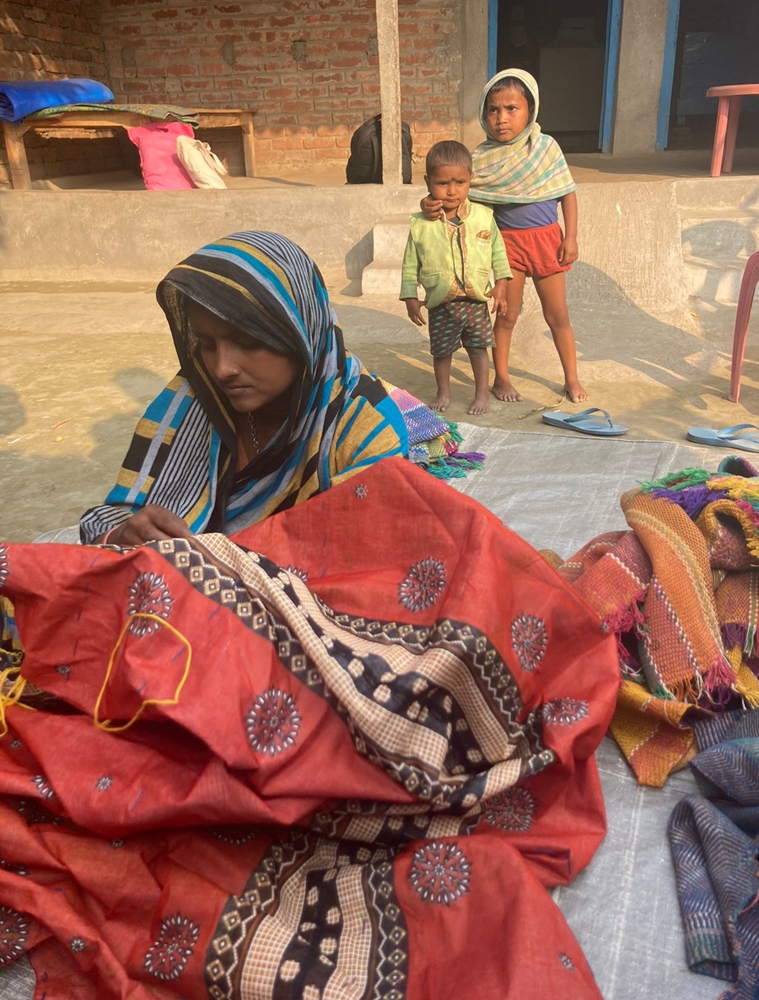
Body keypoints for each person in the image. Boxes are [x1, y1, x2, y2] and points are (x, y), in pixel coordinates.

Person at [79, 230, 415, 546]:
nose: (222, 369)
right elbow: (113, 517)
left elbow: (361, 555)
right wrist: (120, 535)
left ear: (302, 335)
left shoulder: (366, 429)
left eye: (249, 342)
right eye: (207, 344)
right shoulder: (192, 400)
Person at [422, 69, 589, 405]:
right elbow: (457, 196)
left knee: (557, 315)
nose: (501, 118)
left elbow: (567, 193)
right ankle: (502, 378)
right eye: (493, 110)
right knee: (506, 314)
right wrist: (429, 205)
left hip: (547, 243)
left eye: (512, 109)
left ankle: (571, 378)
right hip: (505, 246)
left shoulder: (546, 149)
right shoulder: (479, 160)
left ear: (531, 111)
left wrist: (570, 237)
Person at [400, 140, 511, 415]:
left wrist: (501, 286)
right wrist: (410, 296)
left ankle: (481, 395)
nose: (452, 191)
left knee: (478, 350)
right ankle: (443, 391)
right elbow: (410, 262)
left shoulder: (484, 217)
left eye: (460, 182)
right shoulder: (421, 223)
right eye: (442, 183)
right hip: (441, 302)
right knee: (442, 352)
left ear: (470, 180)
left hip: (475, 301)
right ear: (428, 182)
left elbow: (499, 253)